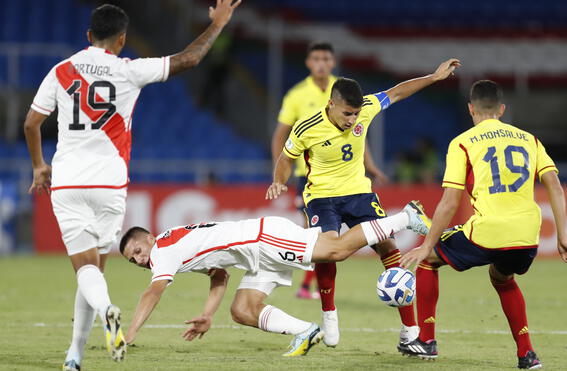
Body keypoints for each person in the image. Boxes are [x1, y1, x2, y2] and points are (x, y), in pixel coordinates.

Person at [23, 2, 241, 370]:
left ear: (88, 36)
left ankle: (84, 340)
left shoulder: (61, 71)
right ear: (122, 39)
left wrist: (39, 166)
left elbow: (31, 124)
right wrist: (218, 23)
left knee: (85, 269)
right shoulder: (130, 70)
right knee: (96, 266)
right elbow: (189, 59)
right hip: (109, 183)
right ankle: (76, 350)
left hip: (68, 181)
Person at [266, 58, 461, 348]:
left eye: (356, 114)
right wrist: (279, 180)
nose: (352, 120)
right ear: (331, 104)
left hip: (359, 192)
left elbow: (397, 92)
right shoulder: (306, 128)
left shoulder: (366, 108)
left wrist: (433, 77)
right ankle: (329, 315)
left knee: (388, 247)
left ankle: (410, 331)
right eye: (347, 113)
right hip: (321, 197)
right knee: (327, 252)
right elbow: (286, 158)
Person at [399, 80, 567, 369]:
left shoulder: (463, 142)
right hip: (527, 235)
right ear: (502, 109)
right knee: (502, 277)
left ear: (471, 109)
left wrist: (426, 245)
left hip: (488, 231)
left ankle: (427, 341)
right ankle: (527, 354)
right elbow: (555, 186)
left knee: (428, 261)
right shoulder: (529, 139)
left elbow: (449, 202)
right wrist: (563, 236)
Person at [119, 201, 430, 357]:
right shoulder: (173, 243)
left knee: (334, 251)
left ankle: (406, 217)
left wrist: (129, 334)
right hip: (256, 253)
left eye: (137, 250)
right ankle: (306, 331)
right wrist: (207, 314)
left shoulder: (162, 251)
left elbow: (152, 293)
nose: (138, 259)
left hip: (263, 240)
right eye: (132, 260)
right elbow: (220, 274)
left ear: (148, 237)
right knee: (242, 309)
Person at [270, 41, 389, 300]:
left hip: (349, 181)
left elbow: (357, 135)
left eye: (326, 59)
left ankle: (305, 284)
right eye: (316, 59)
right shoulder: (296, 95)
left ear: (332, 62)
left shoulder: (347, 91)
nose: (321, 63)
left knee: (324, 238)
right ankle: (301, 282)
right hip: (310, 176)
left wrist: (370, 167)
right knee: (316, 235)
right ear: (309, 63)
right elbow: (281, 137)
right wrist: (278, 176)